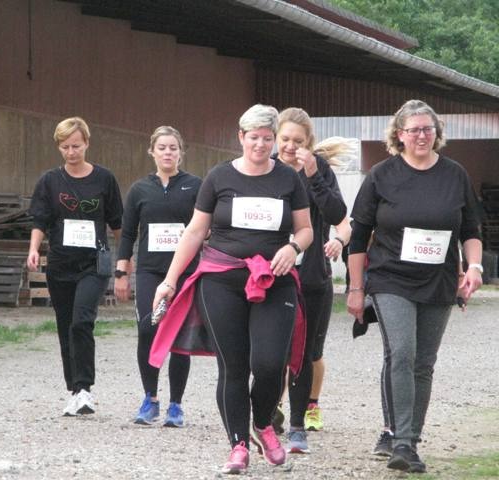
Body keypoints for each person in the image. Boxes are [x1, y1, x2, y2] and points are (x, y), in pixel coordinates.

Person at [150, 104, 313, 474]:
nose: (260, 145)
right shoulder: (219, 177)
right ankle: (238, 444)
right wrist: (170, 280)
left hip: (274, 281)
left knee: (270, 363)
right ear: (241, 137)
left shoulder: (288, 179)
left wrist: (293, 247)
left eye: (267, 139)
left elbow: (305, 229)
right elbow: (195, 231)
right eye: (253, 137)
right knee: (233, 366)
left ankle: (263, 423)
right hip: (221, 281)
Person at [347, 99, 483, 473]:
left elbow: (470, 230)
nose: (421, 136)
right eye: (413, 130)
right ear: (399, 135)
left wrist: (473, 266)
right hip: (390, 276)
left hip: (438, 280)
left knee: (423, 362)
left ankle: (409, 436)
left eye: (427, 129)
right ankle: (402, 442)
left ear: (437, 133)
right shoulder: (381, 175)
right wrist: (356, 289)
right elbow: (358, 236)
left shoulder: (455, 175)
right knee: (402, 351)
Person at [27, 117, 123, 416]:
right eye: (65, 147)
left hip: (93, 263)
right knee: (65, 324)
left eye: (76, 146)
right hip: (60, 263)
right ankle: (74, 390)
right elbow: (40, 220)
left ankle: (85, 388)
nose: (71, 152)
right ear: (59, 147)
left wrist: (125, 259)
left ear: (87, 144)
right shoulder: (50, 181)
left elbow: (117, 222)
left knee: (82, 321)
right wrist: (33, 249)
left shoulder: (104, 179)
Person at [272, 108, 352, 453]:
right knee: (270, 352)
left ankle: (300, 421)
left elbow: (337, 214)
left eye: (298, 141)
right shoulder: (266, 167)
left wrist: (314, 175)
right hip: (271, 276)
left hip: (311, 278)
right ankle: (269, 411)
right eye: (285, 139)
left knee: (306, 354)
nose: (290, 146)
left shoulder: (318, 170)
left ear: (309, 143)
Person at [114, 126, 201, 427]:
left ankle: (176, 406)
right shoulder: (140, 189)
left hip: (186, 271)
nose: (167, 153)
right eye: (162, 147)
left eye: (173, 148)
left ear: (181, 152)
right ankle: (150, 399)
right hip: (150, 270)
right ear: (152, 151)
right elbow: (127, 233)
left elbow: (205, 227)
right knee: (148, 329)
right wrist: (121, 272)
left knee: (180, 336)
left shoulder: (195, 186)